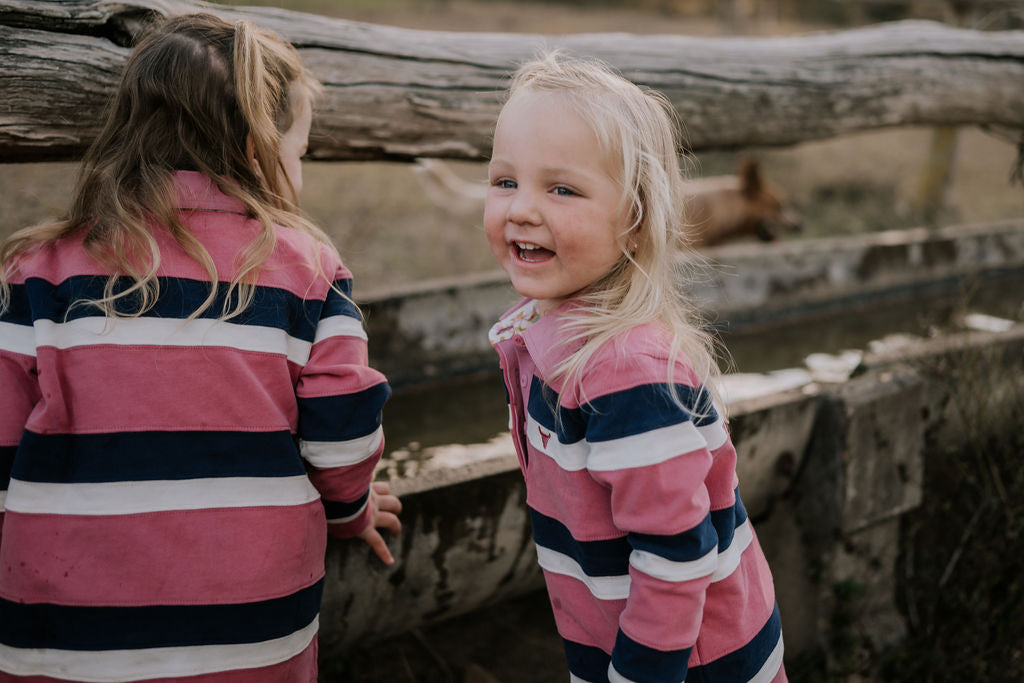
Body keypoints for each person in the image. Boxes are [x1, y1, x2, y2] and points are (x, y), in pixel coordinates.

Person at [0, 13, 400, 682]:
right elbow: (342, 437)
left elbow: (5, 439)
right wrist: (352, 509)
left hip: (64, 630)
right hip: (249, 630)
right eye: (298, 150)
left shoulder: (43, 270)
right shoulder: (305, 268)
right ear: (256, 151)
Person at [486, 53, 786, 682]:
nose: (520, 208)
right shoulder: (551, 332)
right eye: (505, 181)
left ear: (634, 219)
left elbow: (675, 559)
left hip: (693, 666)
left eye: (561, 188)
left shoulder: (627, 374)